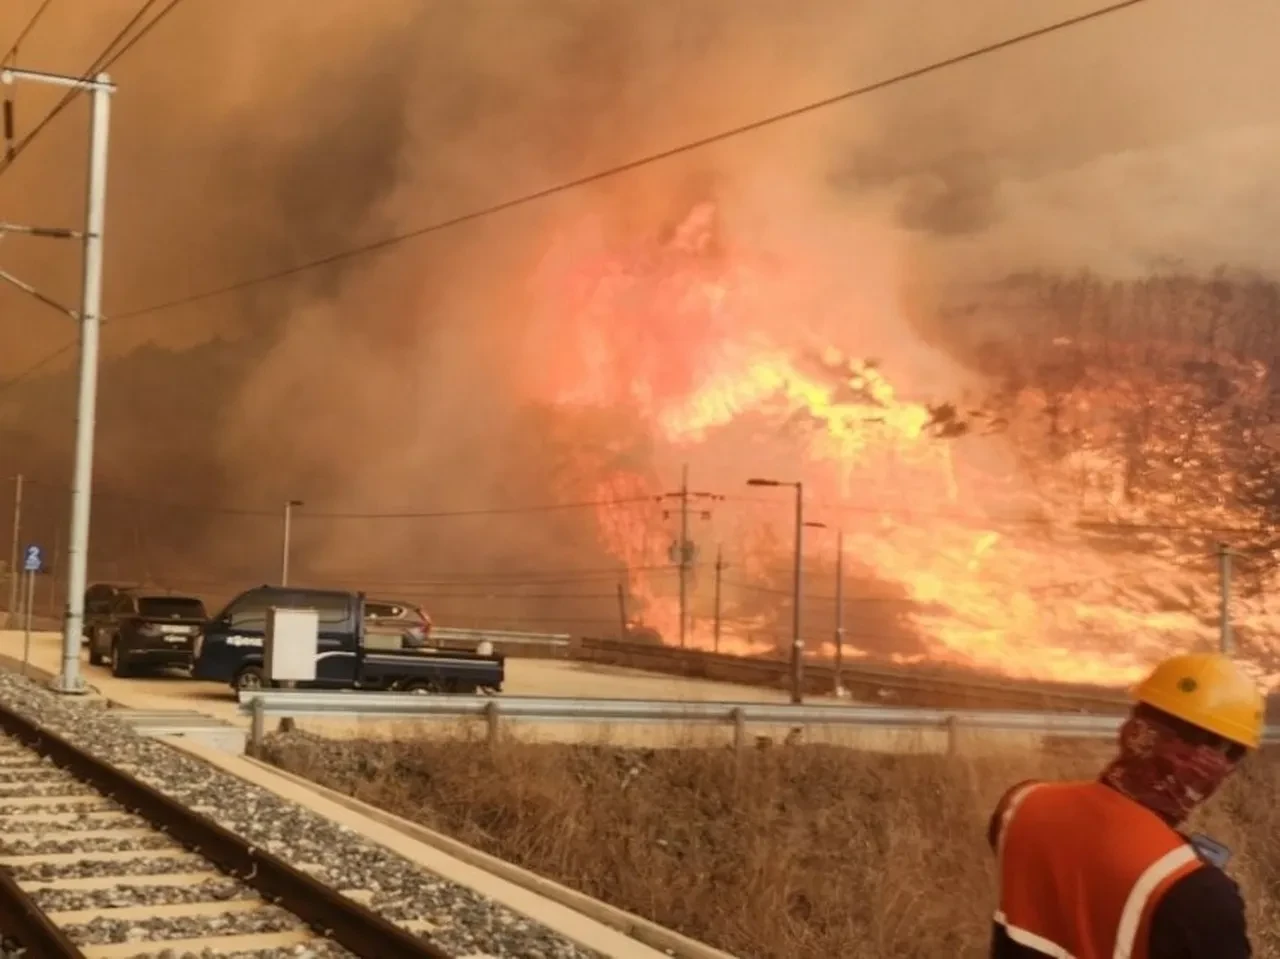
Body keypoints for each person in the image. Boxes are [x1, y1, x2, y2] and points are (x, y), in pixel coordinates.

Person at [988, 652, 1263, 959]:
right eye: (1232, 756)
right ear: (1212, 765)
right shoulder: (1199, 890)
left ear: (1134, 726)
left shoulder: (1021, 803)